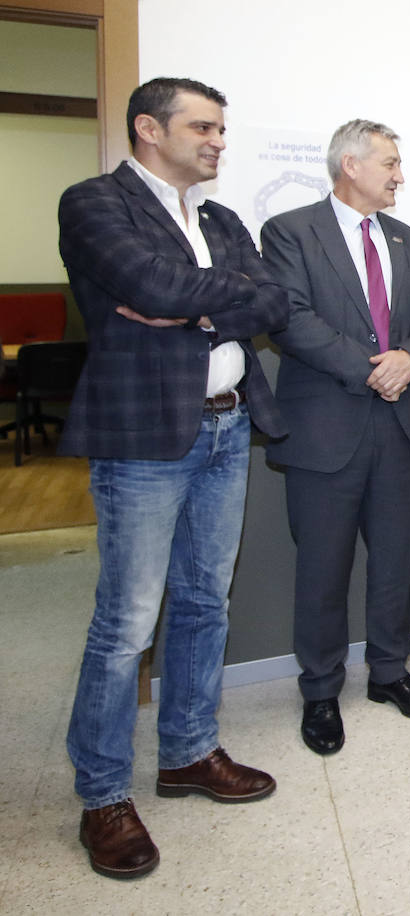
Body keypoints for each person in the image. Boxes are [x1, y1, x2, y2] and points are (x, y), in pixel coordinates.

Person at [57, 77, 285, 879]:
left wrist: (195, 311)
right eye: (203, 126)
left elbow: (273, 302)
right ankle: (103, 794)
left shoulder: (220, 218)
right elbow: (150, 285)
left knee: (202, 601)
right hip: (144, 436)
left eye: (223, 127)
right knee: (126, 624)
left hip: (228, 425)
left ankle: (189, 750)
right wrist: (211, 300)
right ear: (149, 129)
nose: (218, 140)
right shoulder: (95, 205)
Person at [261, 119, 410, 755]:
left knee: (396, 561)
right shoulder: (290, 232)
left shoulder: (404, 238)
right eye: (391, 163)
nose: (400, 174)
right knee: (322, 569)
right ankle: (319, 690)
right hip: (324, 429)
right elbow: (289, 319)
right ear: (350, 165)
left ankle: (390, 674)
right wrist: (376, 369)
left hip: (400, 429)